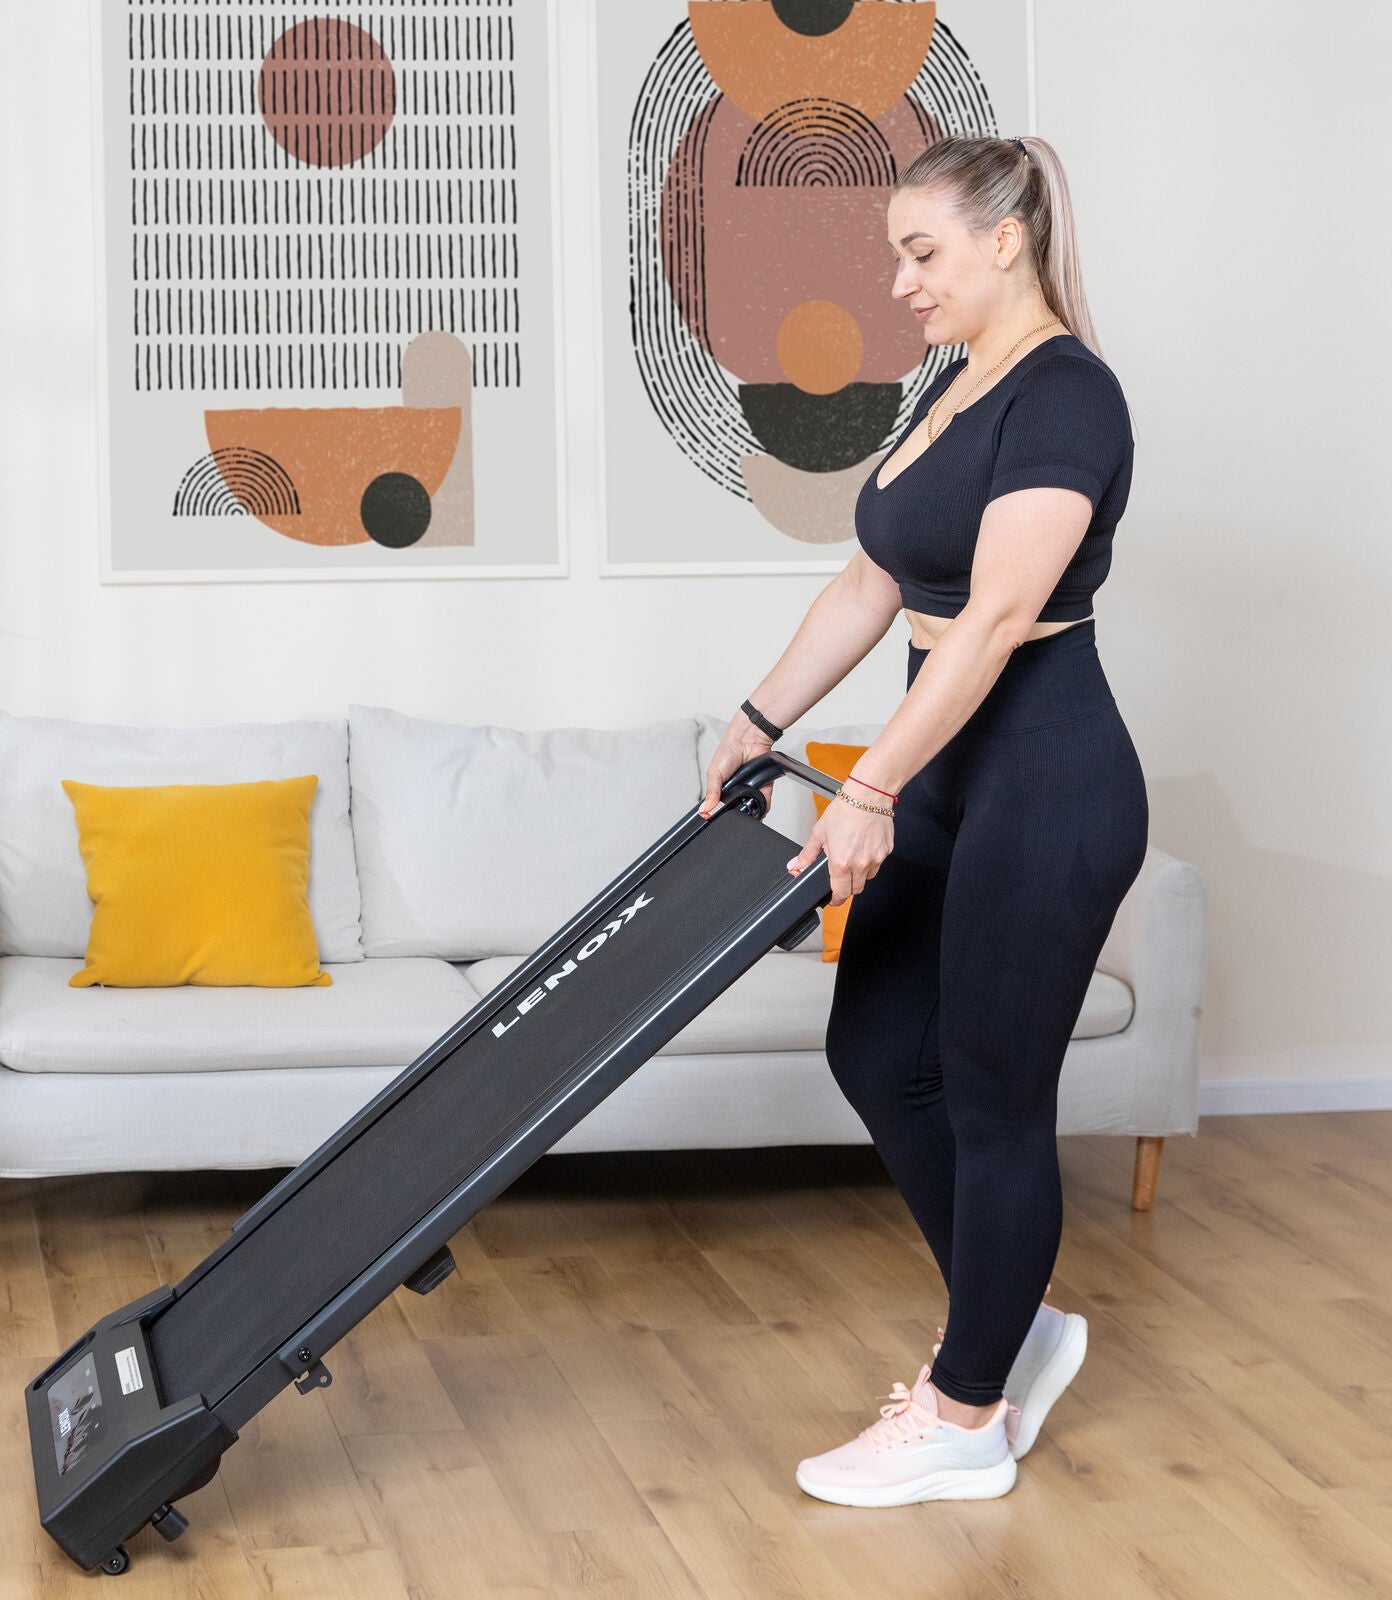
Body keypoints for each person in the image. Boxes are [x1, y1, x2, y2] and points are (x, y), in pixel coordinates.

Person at [698, 133, 1148, 1508]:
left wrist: (870, 784)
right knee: (878, 1050)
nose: (900, 282)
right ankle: (1014, 1327)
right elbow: (870, 582)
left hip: (1048, 781)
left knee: (995, 1094)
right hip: (949, 773)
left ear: (1004, 241)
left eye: (921, 252)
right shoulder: (952, 388)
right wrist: (758, 718)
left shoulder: (1068, 398)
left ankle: (964, 1415)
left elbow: (1000, 617)